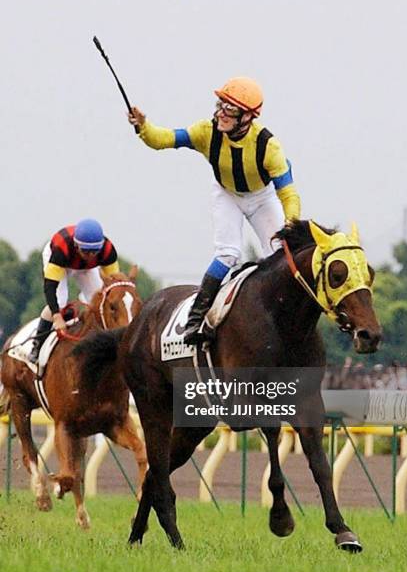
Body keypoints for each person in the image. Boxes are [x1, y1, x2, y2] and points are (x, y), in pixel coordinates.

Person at [128, 76, 301, 344]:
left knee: (282, 254)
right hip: (226, 194)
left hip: (262, 198)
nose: (221, 113)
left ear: (247, 117)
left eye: (230, 109)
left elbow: (288, 194)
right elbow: (164, 139)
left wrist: (290, 223)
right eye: (221, 104)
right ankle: (196, 318)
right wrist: (143, 126)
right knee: (228, 253)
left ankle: (287, 317)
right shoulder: (206, 132)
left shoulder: (268, 146)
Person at [28, 219, 120, 364]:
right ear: (76, 245)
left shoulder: (108, 251)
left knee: (98, 301)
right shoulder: (61, 249)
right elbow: (50, 288)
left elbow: (115, 286)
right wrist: (57, 317)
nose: (90, 255)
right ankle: (37, 346)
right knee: (60, 301)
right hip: (61, 262)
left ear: (100, 247)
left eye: (94, 251)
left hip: (86, 268)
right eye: (85, 251)